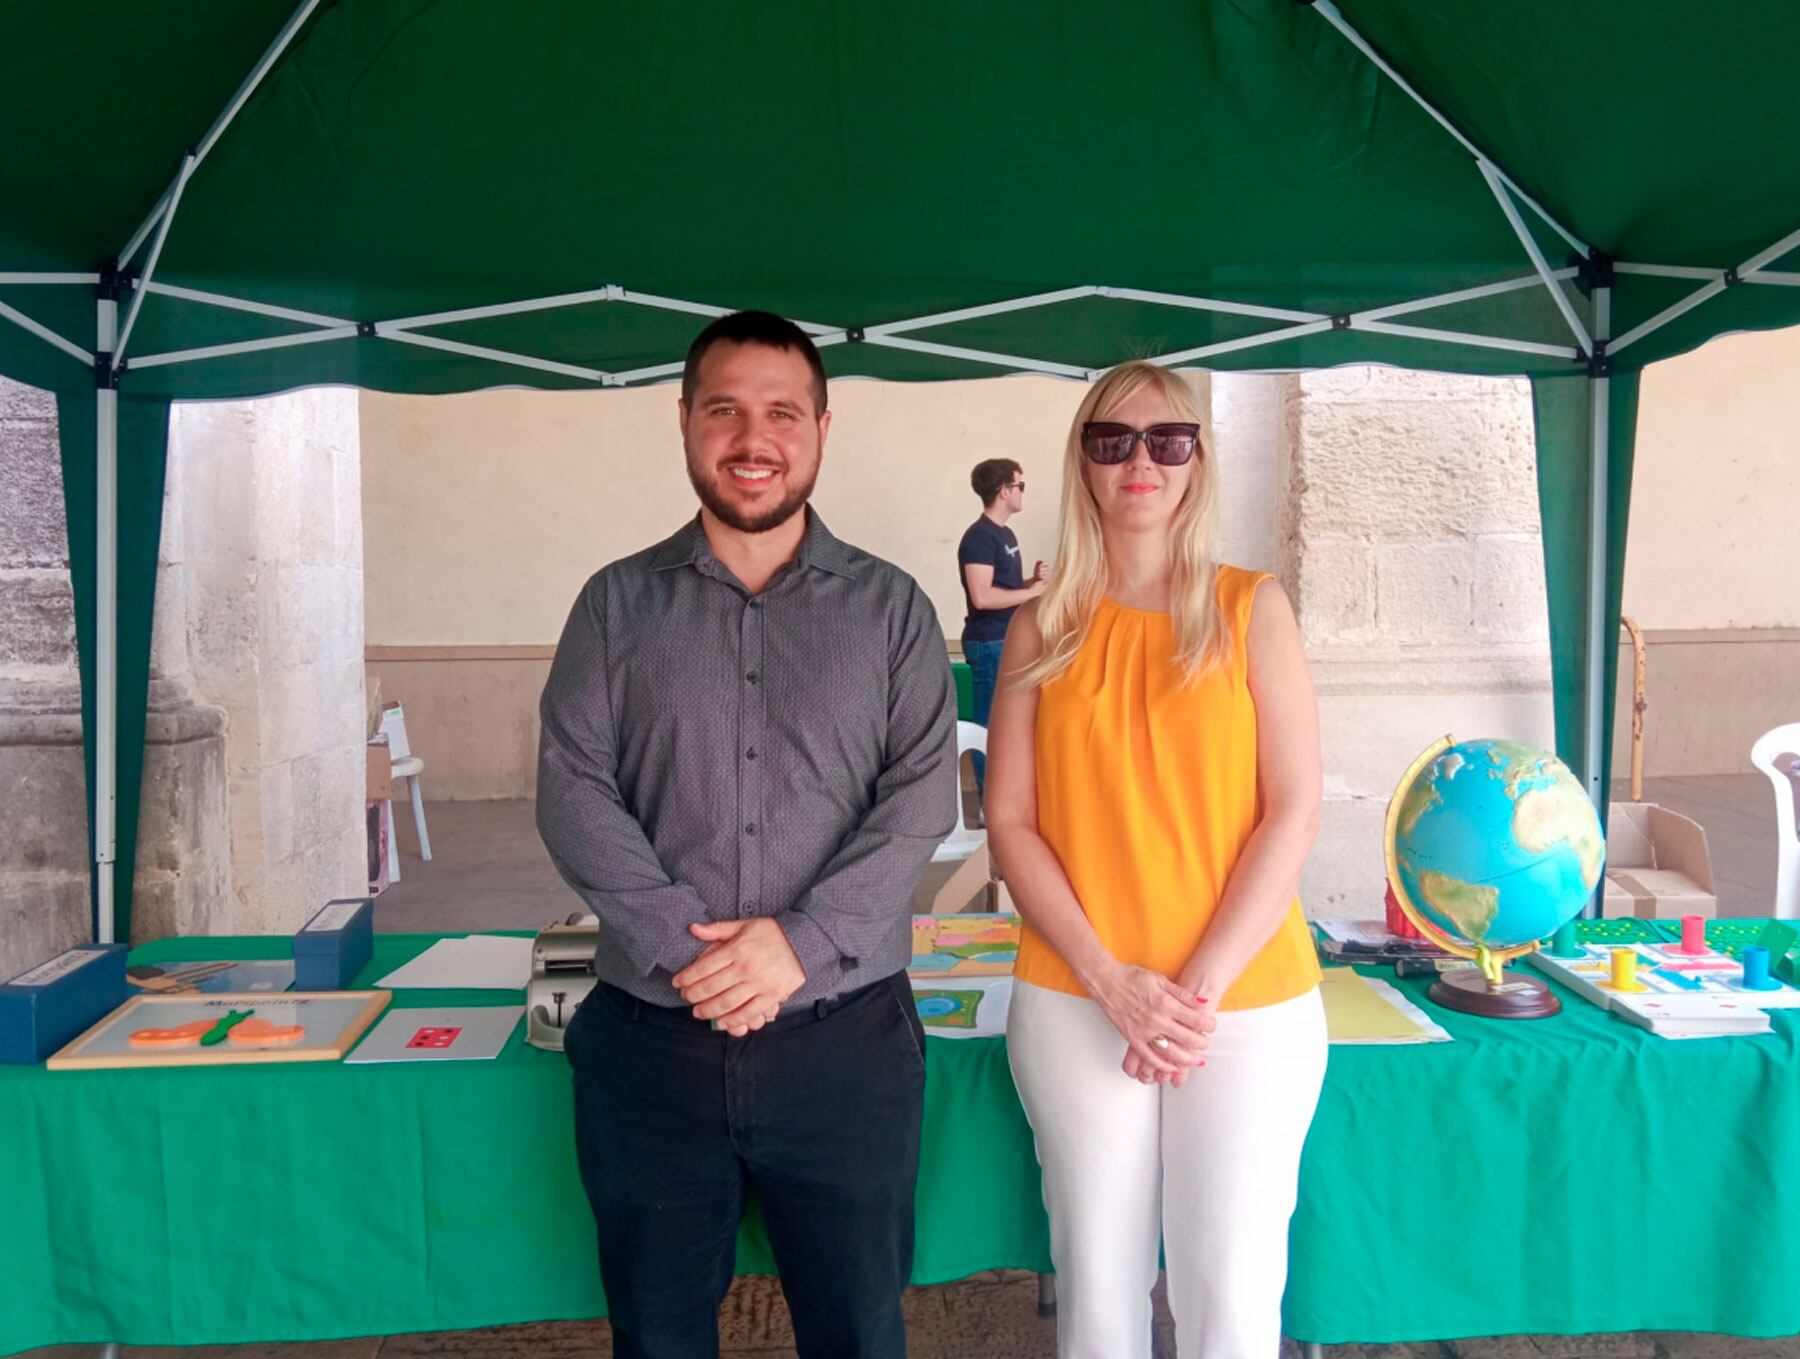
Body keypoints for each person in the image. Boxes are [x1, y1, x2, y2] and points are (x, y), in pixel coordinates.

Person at [537, 310, 958, 1359]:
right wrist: (694, 950)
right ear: (684, 423)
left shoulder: (893, 611)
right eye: (724, 410)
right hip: (651, 1049)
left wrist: (799, 945)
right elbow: (573, 790)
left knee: (859, 1334)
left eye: (780, 412)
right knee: (658, 1338)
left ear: (822, 426)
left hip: (846, 1049)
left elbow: (919, 799)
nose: (752, 438)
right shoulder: (613, 607)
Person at [984, 361, 1326, 1359]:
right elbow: (1011, 821)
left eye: (1169, 439)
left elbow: (1294, 808)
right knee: (1097, 1287)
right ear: (1082, 461)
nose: (1142, 461)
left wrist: (1192, 995)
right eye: (1113, 440)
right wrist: (1115, 985)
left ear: (1198, 460)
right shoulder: (1041, 621)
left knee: (1232, 1289)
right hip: (1078, 992)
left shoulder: (1252, 607)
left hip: (1246, 1001)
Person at [956, 457, 1045, 792]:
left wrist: (1029, 584)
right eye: (1020, 486)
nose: (1023, 493)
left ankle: (1005, 795)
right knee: (988, 723)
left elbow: (1002, 589)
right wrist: (1031, 593)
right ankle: (988, 801)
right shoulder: (979, 537)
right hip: (988, 641)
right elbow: (982, 597)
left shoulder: (1004, 534)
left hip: (1005, 639)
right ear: (1004, 490)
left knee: (1009, 722)